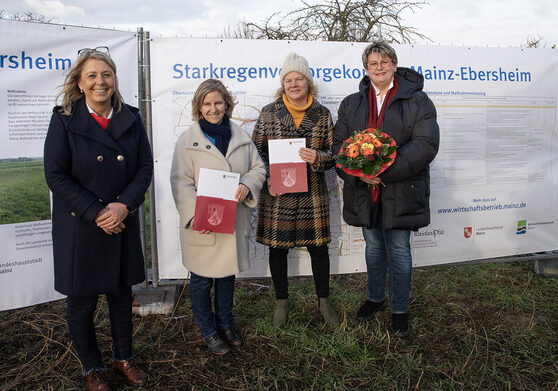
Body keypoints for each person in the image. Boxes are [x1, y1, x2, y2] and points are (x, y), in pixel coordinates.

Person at [44, 47, 153, 391]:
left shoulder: (131, 118)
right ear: (79, 82)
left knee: (122, 298)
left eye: (106, 74)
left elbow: (144, 168)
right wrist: (97, 212)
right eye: (91, 75)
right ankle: (93, 368)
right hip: (81, 227)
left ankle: (124, 359)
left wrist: (123, 206)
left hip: (121, 221)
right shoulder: (63, 119)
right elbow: (56, 174)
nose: (100, 82)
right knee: (82, 305)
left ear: (115, 79)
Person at [333, 40, 439, 338]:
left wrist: (383, 170)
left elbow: (426, 144)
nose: (379, 68)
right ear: (366, 69)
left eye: (384, 62)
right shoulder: (352, 102)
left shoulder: (418, 101)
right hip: (365, 192)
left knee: (399, 250)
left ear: (394, 64)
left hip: (401, 189)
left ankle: (400, 310)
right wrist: (359, 173)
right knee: (375, 248)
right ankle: (376, 297)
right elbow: (339, 145)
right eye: (372, 64)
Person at [170, 79, 266, 355]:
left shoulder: (240, 138)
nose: (213, 109)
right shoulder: (188, 141)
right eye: (207, 104)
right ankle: (209, 331)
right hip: (202, 226)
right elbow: (180, 182)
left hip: (232, 222)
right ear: (199, 107)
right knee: (201, 280)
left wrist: (247, 184)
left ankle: (225, 325)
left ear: (227, 104)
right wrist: (194, 216)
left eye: (218, 103)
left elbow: (258, 168)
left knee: (226, 277)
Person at [252, 53, 339, 328]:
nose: (293, 84)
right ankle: (282, 303)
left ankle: (324, 302)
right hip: (278, 193)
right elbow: (256, 150)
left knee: (319, 249)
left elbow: (333, 153)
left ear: (308, 82)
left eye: (298, 78)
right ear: (283, 84)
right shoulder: (268, 112)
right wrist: (266, 174)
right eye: (288, 79)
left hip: (312, 191)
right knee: (278, 250)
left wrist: (318, 158)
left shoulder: (323, 115)